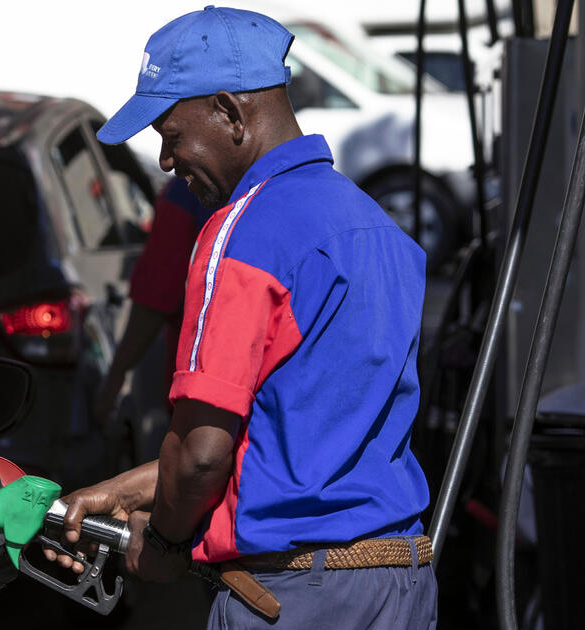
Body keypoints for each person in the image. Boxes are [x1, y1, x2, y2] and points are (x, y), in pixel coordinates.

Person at [47, 7, 437, 628]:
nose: (168, 161)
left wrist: (167, 544)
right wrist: (121, 492)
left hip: (296, 595)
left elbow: (203, 453)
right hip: (400, 582)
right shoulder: (375, 227)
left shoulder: (242, 231)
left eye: (171, 135)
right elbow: (291, 441)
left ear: (229, 112)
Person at [93, 177, 214, 431]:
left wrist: (114, 380)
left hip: (202, 400)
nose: (165, 161)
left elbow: (154, 300)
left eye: (173, 138)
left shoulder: (186, 191)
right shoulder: (289, 185)